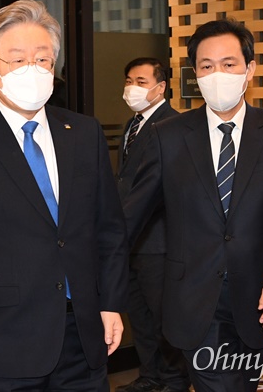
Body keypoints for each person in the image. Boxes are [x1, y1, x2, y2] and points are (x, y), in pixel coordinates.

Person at [0, 0, 129, 392]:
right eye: (18, 60)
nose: (32, 70)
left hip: (83, 336)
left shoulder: (84, 134)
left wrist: (110, 302)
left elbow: (109, 230)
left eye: (43, 60)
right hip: (2, 343)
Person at [123, 19, 263, 391]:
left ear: (250, 69)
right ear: (196, 74)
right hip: (193, 301)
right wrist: (100, 286)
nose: (217, 74)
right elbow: (132, 216)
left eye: (228, 64)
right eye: (207, 66)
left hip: (259, 300)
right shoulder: (168, 136)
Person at [115, 58, 190, 392]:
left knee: (163, 319)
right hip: (131, 241)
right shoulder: (132, 125)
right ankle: (150, 376)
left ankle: (174, 380)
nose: (132, 87)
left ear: (161, 87)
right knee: (140, 317)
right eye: (129, 80)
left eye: (141, 81)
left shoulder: (174, 125)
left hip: (159, 241)